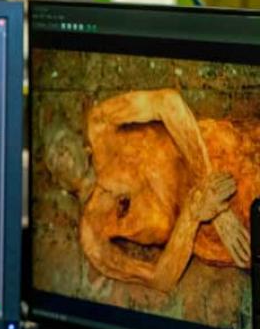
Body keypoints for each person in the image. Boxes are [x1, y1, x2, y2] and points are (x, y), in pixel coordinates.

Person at [69, 89, 252, 292]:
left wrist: (208, 189)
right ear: (59, 182)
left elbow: (168, 103)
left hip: (218, 155)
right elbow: (160, 279)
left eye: (61, 145)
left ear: (81, 145)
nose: (63, 156)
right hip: (211, 231)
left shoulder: (100, 124)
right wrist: (192, 215)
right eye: (52, 158)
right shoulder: (93, 236)